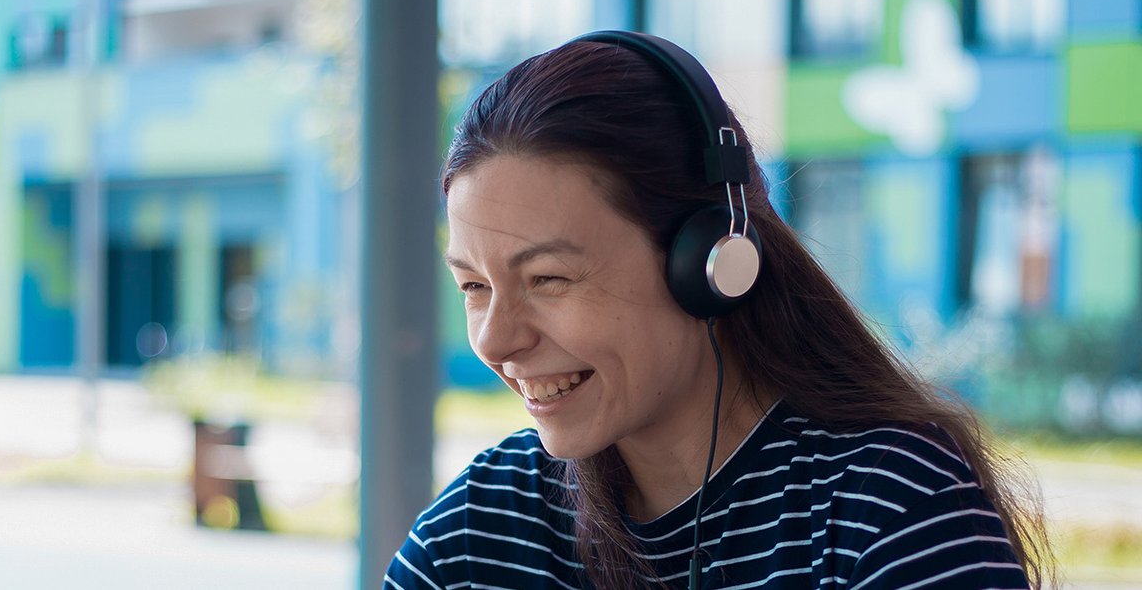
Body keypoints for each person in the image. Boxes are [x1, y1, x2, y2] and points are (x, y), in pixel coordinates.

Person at [385, 31, 1048, 589]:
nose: (497, 340)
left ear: (710, 263)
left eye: (548, 279)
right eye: (473, 287)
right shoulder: (477, 534)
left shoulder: (887, 507)